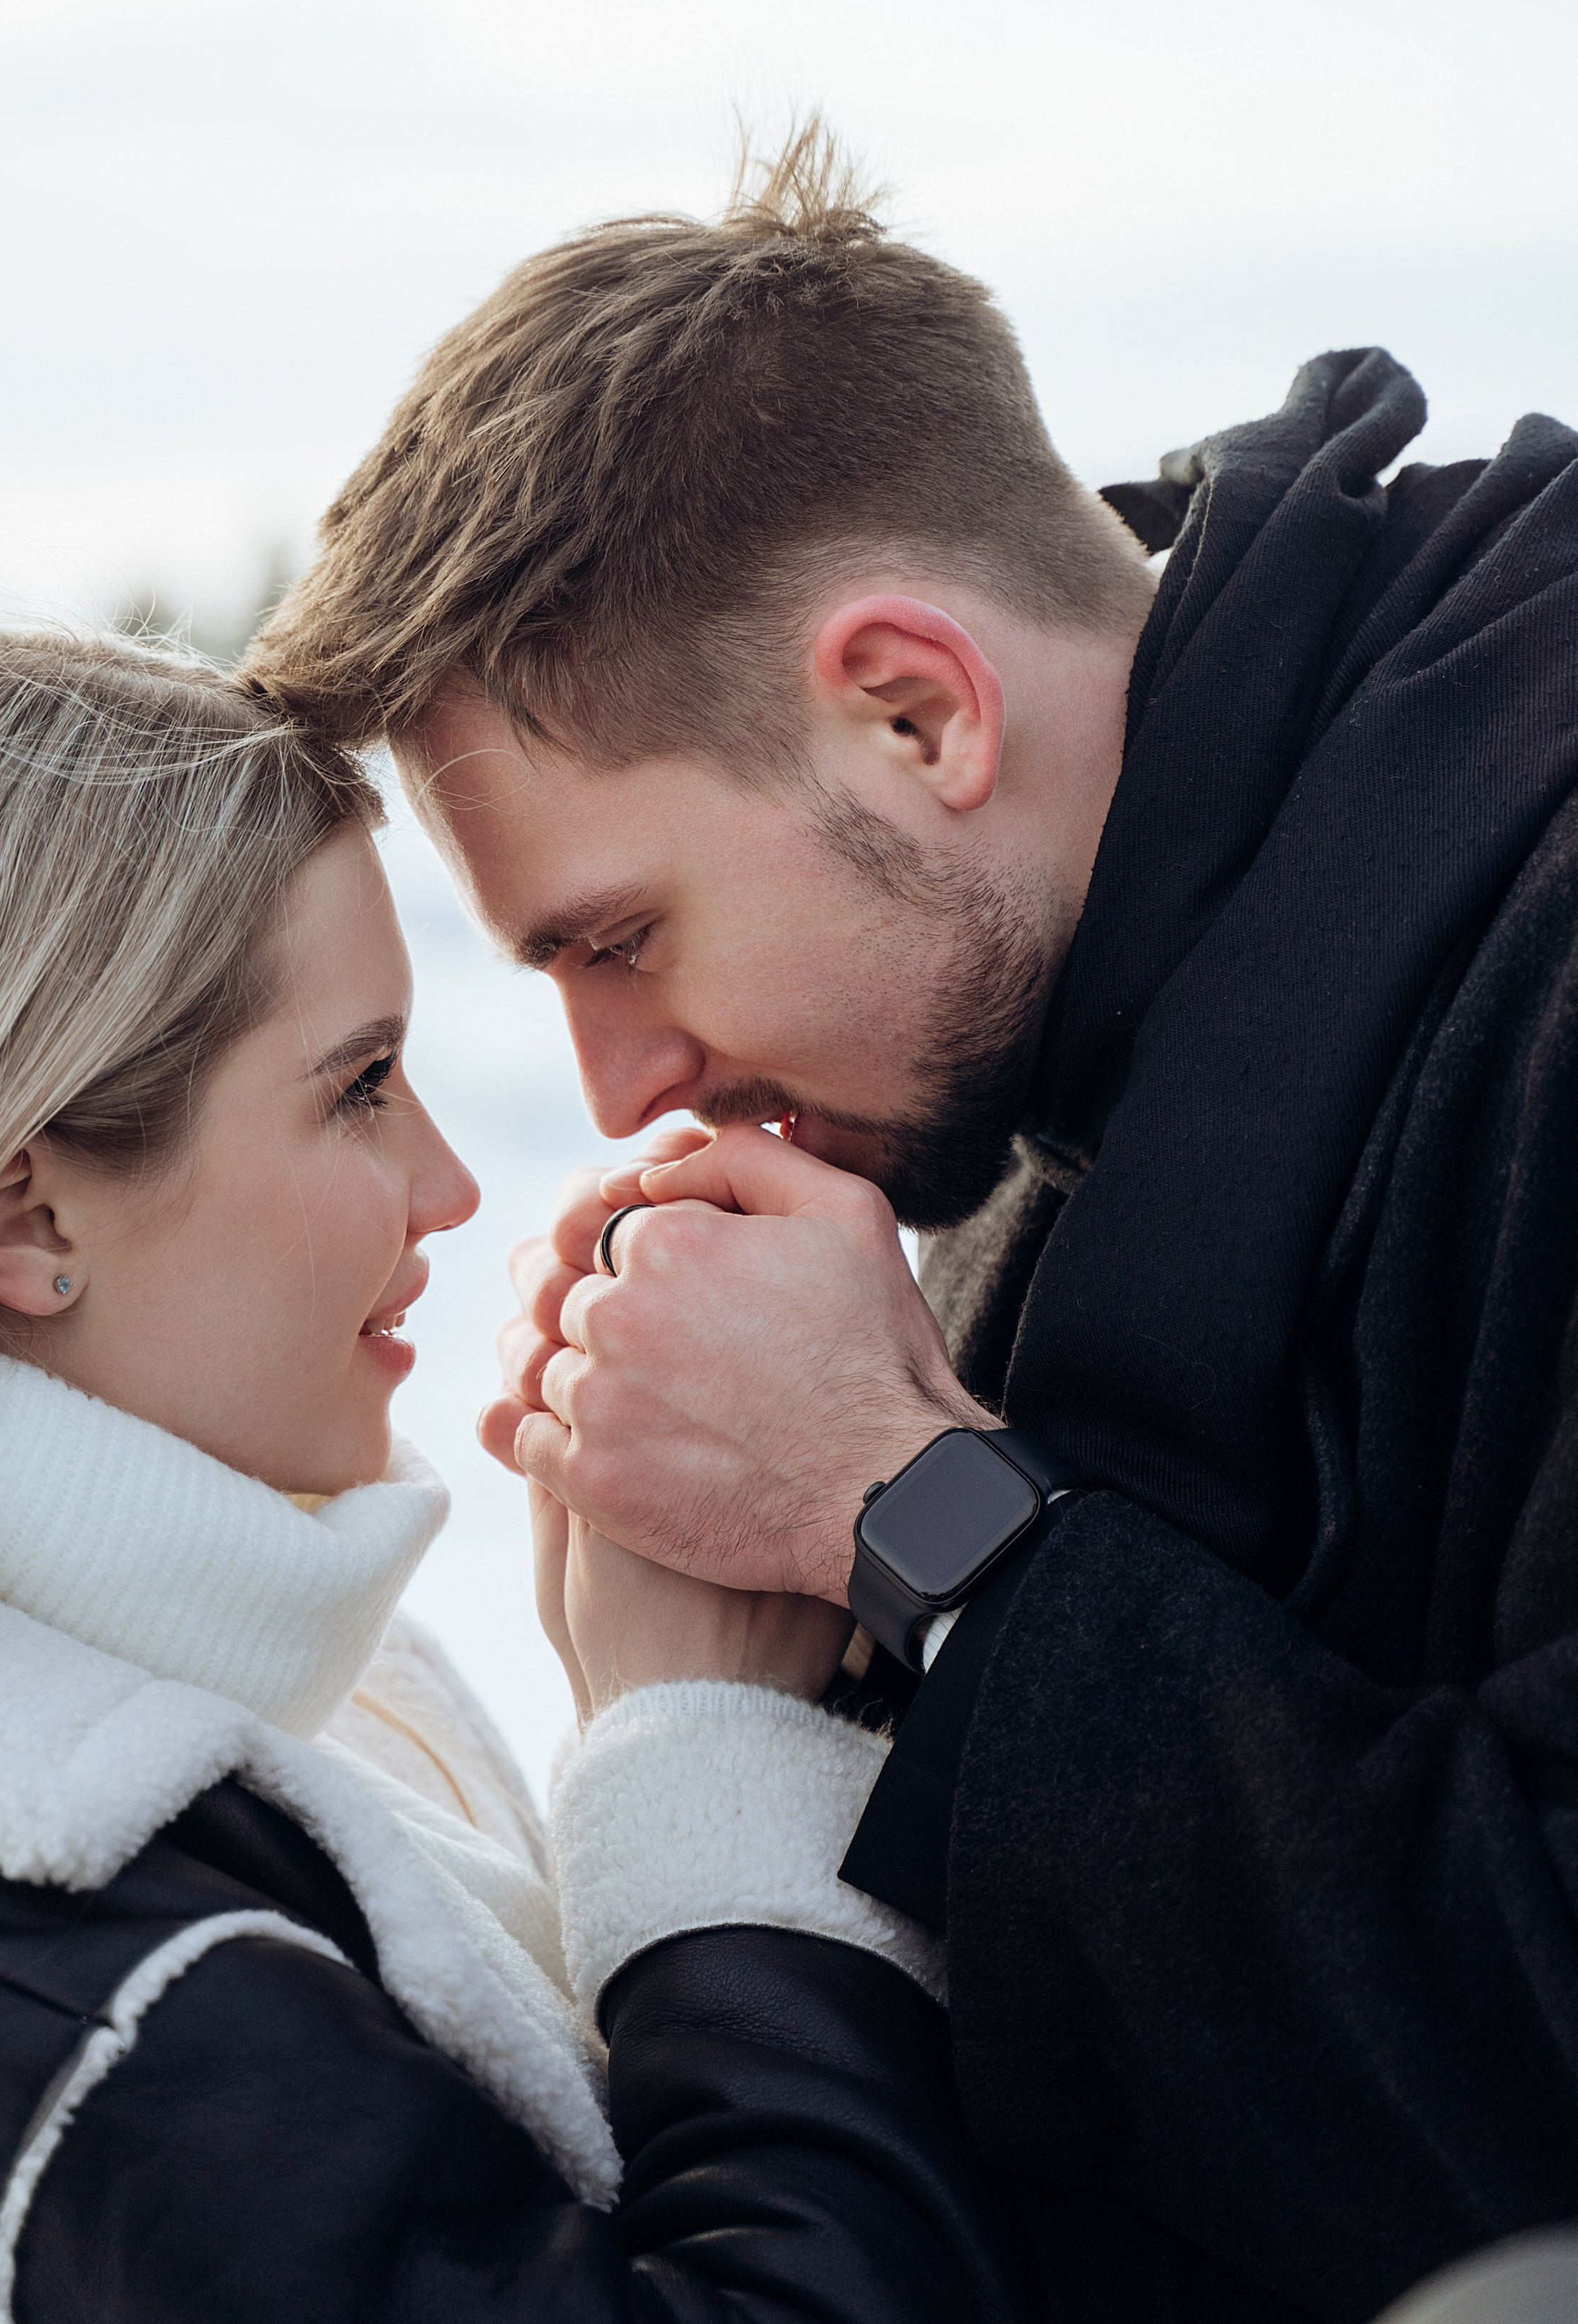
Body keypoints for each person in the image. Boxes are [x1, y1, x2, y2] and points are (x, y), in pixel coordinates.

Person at [247, 125, 1578, 2323]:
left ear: (915, 708)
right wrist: (719, 1680)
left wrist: (913, 1512)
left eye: (623, 940)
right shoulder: (1028, 1061)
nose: (614, 1092)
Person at [0, 624, 1019, 2324]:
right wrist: (696, 1758)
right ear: (27, 1217)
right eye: (354, 1088)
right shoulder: (36, 1979)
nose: (443, 1183)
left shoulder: (265, 1728)